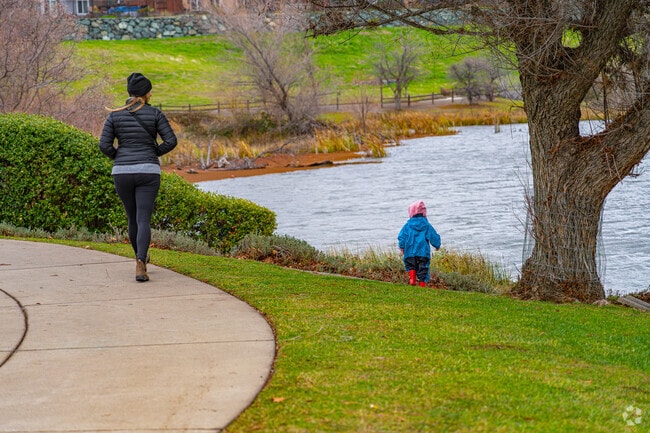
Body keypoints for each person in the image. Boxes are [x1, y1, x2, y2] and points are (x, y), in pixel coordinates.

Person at [99, 72, 177, 282]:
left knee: (132, 217)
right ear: (147, 93)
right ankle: (140, 262)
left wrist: (120, 158)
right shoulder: (155, 114)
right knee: (143, 218)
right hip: (148, 172)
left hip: (122, 172)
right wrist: (153, 155)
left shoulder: (114, 115)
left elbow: (104, 146)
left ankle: (139, 259)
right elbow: (171, 140)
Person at [398, 200, 441, 287]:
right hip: (423, 252)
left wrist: (402, 247)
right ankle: (422, 284)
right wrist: (437, 245)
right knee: (423, 268)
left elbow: (402, 237)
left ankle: (412, 279)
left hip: (410, 251)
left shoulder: (407, 225)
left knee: (411, 265)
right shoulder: (427, 225)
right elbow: (433, 235)